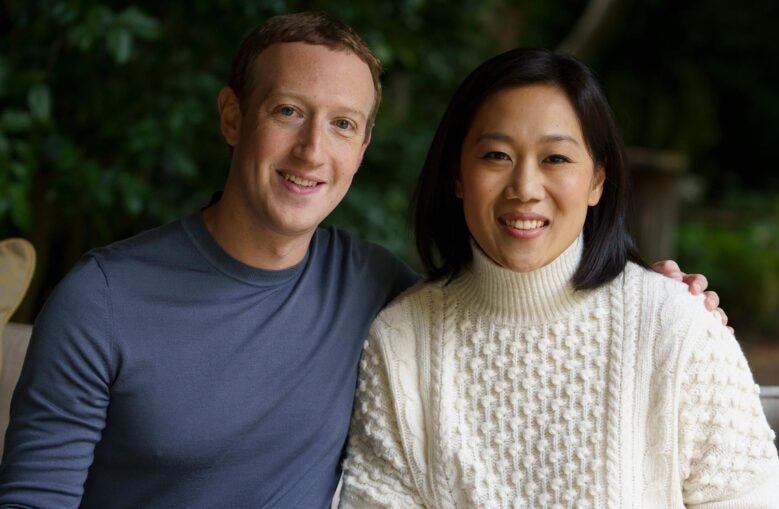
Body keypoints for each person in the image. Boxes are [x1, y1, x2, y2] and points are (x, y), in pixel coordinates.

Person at [0, 13, 723, 508]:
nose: (313, 150)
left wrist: (666, 303)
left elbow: (510, 320)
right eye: (288, 111)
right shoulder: (102, 298)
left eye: (342, 124)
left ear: (363, 146)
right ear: (232, 117)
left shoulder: (380, 294)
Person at [340, 48, 779, 507]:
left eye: (555, 159)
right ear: (458, 174)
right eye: (497, 155)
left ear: (597, 181)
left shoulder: (678, 327)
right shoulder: (399, 342)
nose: (525, 189)